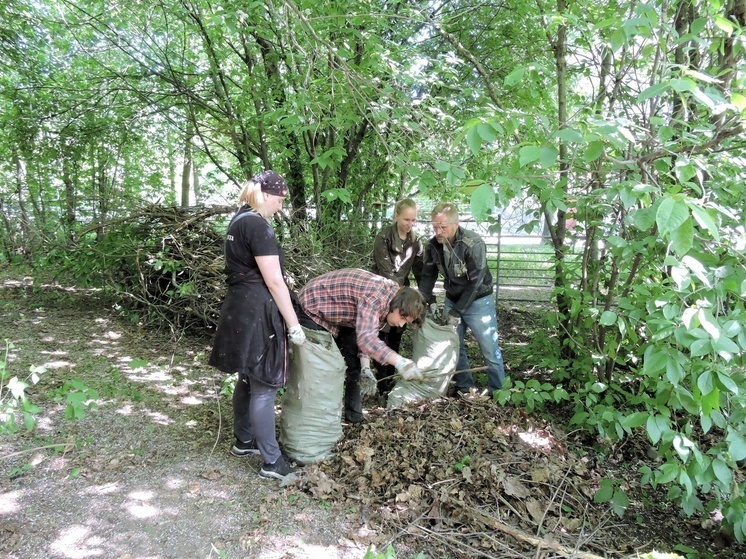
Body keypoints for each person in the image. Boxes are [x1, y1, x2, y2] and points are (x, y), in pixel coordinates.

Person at [208, 170, 307, 480]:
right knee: (264, 385)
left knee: (248, 378)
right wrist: (293, 324)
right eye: (278, 200)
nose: (279, 207)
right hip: (257, 311)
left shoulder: (238, 220)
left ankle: (245, 439)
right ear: (265, 195)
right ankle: (272, 462)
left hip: (238, 308)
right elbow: (275, 281)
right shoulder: (258, 225)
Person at [295, 268, 427, 423]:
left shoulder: (389, 303)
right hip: (312, 308)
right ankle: (314, 418)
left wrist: (366, 368)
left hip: (345, 317)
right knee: (324, 366)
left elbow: (364, 336)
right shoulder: (375, 296)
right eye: (403, 317)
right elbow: (367, 339)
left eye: (406, 322)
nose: (400, 324)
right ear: (398, 306)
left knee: (356, 365)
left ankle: (354, 416)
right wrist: (400, 362)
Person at [418, 202, 506, 394]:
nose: (438, 231)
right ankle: (464, 386)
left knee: (489, 348)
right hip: (452, 296)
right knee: (453, 345)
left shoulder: (472, 243)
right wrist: (423, 300)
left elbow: (476, 282)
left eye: (443, 226)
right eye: (435, 226)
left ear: (455, 224)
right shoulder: (433, 245)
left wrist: (457, 312)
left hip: (479, 300)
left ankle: (499, 391)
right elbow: (427, 276)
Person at [370, 198, 424, 394]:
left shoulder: (416, 240)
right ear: (396, 216)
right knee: (381, 336)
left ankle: (391, 377)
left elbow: (420, 268)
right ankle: (381, 381)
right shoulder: (383, 237)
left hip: (403, 295)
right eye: (406, 219)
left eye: (413, 220)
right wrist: (402, 295)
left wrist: (424, 296)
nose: (410, 224)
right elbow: (385, 272)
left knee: (396, 338)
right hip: (383, 294)